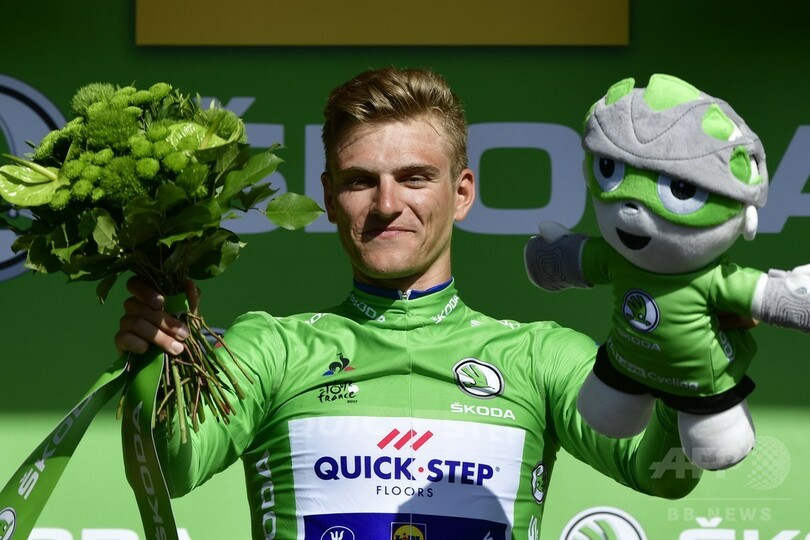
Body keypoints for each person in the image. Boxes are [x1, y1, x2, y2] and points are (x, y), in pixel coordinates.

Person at [115, 66, 702, 539]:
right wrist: (151, 359)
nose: (387, 204)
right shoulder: (269, 349)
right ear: (329, 198)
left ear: (462, 193)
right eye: (360, 181)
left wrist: (688, 366)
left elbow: (662, 474)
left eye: (415, 177)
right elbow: (168, 472)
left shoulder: (539, 356)